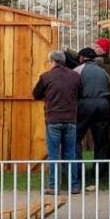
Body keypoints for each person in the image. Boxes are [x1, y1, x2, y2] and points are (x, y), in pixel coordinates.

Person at [33, 49, 81, 195]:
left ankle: (54, 186)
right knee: (70, 153)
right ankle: (74, 186)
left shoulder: (46, 76)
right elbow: (81, 93)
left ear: (52, 61)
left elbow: (36, 94)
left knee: (54, 154)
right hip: (70, 119)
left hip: (53, 119)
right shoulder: (75, 76)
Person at [75, 47, 110, 184]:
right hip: (103, 104)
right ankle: (99, 173)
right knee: (101, 140)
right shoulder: (103, 72)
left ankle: (78, 171)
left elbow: (73, 86)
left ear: (82, 58)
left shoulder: (78, 70)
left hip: (85, 104)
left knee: (76, 138)